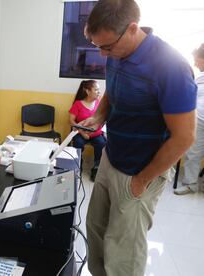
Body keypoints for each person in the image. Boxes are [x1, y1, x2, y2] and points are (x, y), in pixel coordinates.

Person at [81, 1, 197, 275]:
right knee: (96, 230)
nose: (102, 54)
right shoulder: (117, 53)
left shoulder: (171, 67)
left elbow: (184, 137)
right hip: (112, 157)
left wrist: (142, 180)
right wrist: (99, 117)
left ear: (132, 29)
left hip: (140, 170)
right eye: (95, 45)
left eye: (106, 47)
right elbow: (113, 89)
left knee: (123, 250)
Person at [174, 43, 204, 195]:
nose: (195, 63)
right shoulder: (199, 77)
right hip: (198, 119)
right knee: (193, 153)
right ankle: (191, 184)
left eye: (197, 60)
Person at [69, 80, 106, 181]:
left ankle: (96, 167)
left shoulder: (99, 103)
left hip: (96, 134)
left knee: (101, 143)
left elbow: (102, 120)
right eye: (96, 90)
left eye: (99, 90)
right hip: (81, 133)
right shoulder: (78, 104)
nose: (99, 92)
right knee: (78, 143)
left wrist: (96, 130)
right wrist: (82, 132)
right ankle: (77, 165)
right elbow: (72, 121)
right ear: (88, 91)